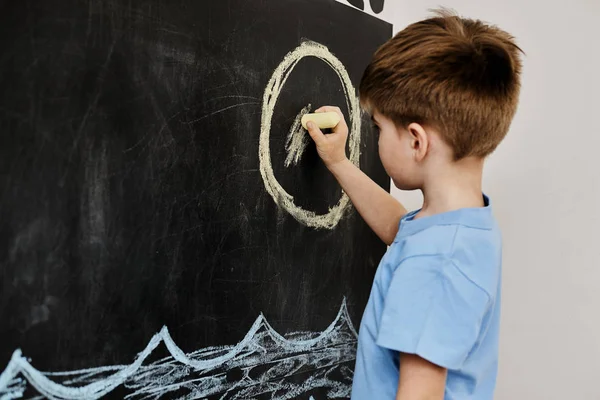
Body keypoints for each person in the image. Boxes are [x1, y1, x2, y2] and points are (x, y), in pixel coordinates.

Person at [305, 8, 523, 400]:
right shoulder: (463, 227)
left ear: (417, 141)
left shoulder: (434, 265)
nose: (375, 136)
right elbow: (400, 230)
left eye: (379, 127)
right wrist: (339, 162)